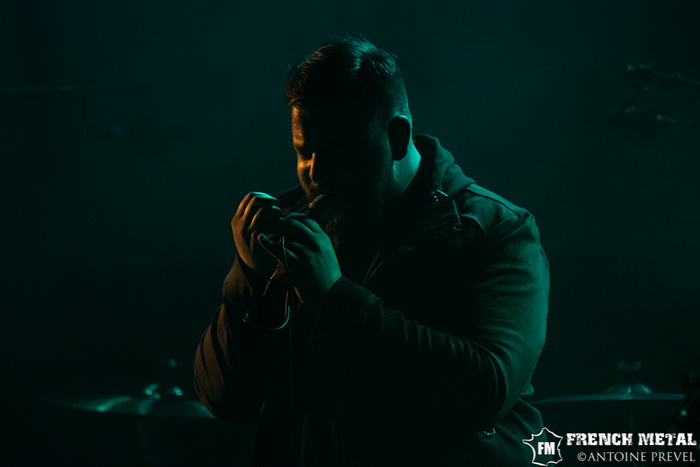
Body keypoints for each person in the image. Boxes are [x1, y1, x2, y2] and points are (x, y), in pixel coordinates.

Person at [194, 37, 550, 466]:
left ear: (396, 137)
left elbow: (487, 390)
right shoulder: (292, 227)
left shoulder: (497, 230)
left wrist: (334, 298)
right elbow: (225, 399)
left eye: (337, 153)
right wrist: (249, 283)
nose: (315, 173)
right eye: (303, 152)